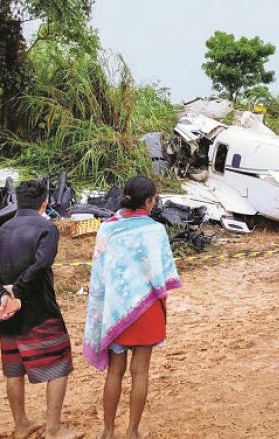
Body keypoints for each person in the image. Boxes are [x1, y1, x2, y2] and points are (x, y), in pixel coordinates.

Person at [83, 176, 181, 439]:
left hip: (116, 310)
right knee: (141, 372)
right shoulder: (155, 230)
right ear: (148, 201)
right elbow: (162, 272)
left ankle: (107, 432)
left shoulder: (107, 229)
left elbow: (100, 274)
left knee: (115, 371)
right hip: (146, 308)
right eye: (155, 198)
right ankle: (132, 432)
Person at [0, 179, 77, 439]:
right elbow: (41, 263)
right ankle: (54, 429)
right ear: (44, 203)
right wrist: (18, 292)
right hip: (40, 309)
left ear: (18, 203)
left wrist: (2, 293)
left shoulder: (0, 232)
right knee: (60, 362)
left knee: (14, 367)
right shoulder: (47, 228)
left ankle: (21, 424)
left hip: (7, 312)